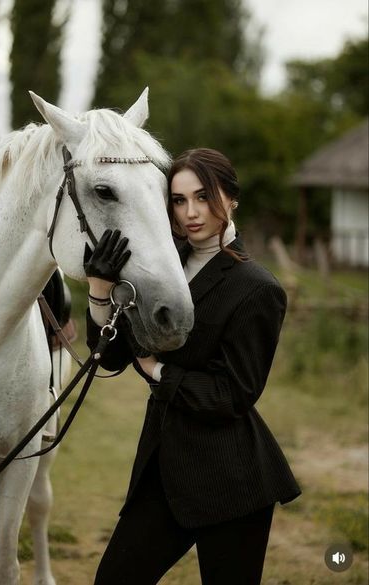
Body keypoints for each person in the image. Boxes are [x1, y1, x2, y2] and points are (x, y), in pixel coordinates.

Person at [83, 148, 301, 585]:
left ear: (231, 198)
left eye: (204, 196)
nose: (191, 212)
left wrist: (158, 371)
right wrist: (99, 291)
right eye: (179, 201)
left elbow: (233, 393)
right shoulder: (159, 270)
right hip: (163, 472)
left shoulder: (258, 289)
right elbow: (109, 357)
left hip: (232, 480)